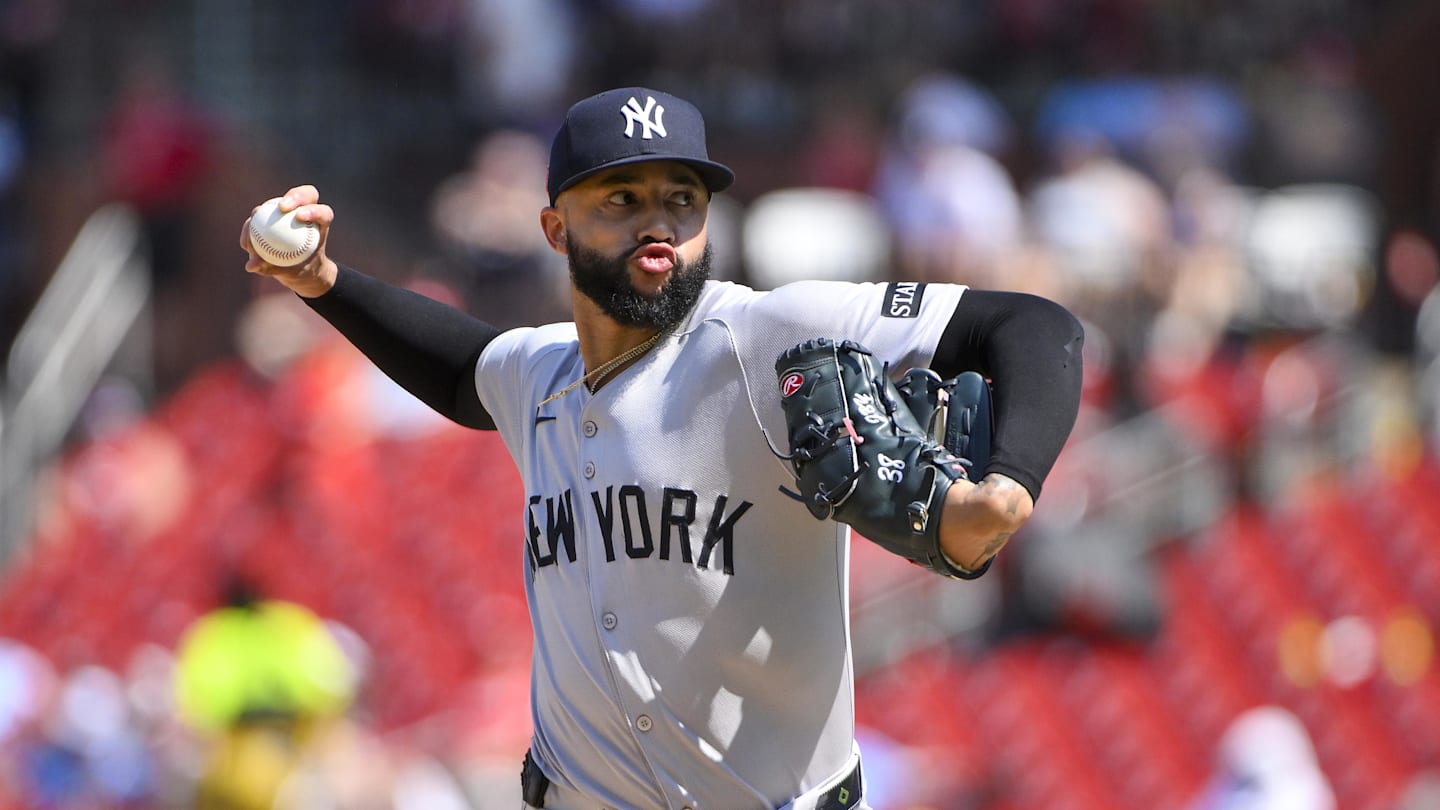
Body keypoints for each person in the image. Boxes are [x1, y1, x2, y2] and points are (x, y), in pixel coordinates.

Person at [239, 86, 1084, 810]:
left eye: (682, 198)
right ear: (554, 228)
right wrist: (320, 281)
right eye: (622, 198)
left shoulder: (765, 333)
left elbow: (1034, 326)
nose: (659, 221)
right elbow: (461, 368)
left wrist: (1005, 489)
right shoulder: (538, 373)